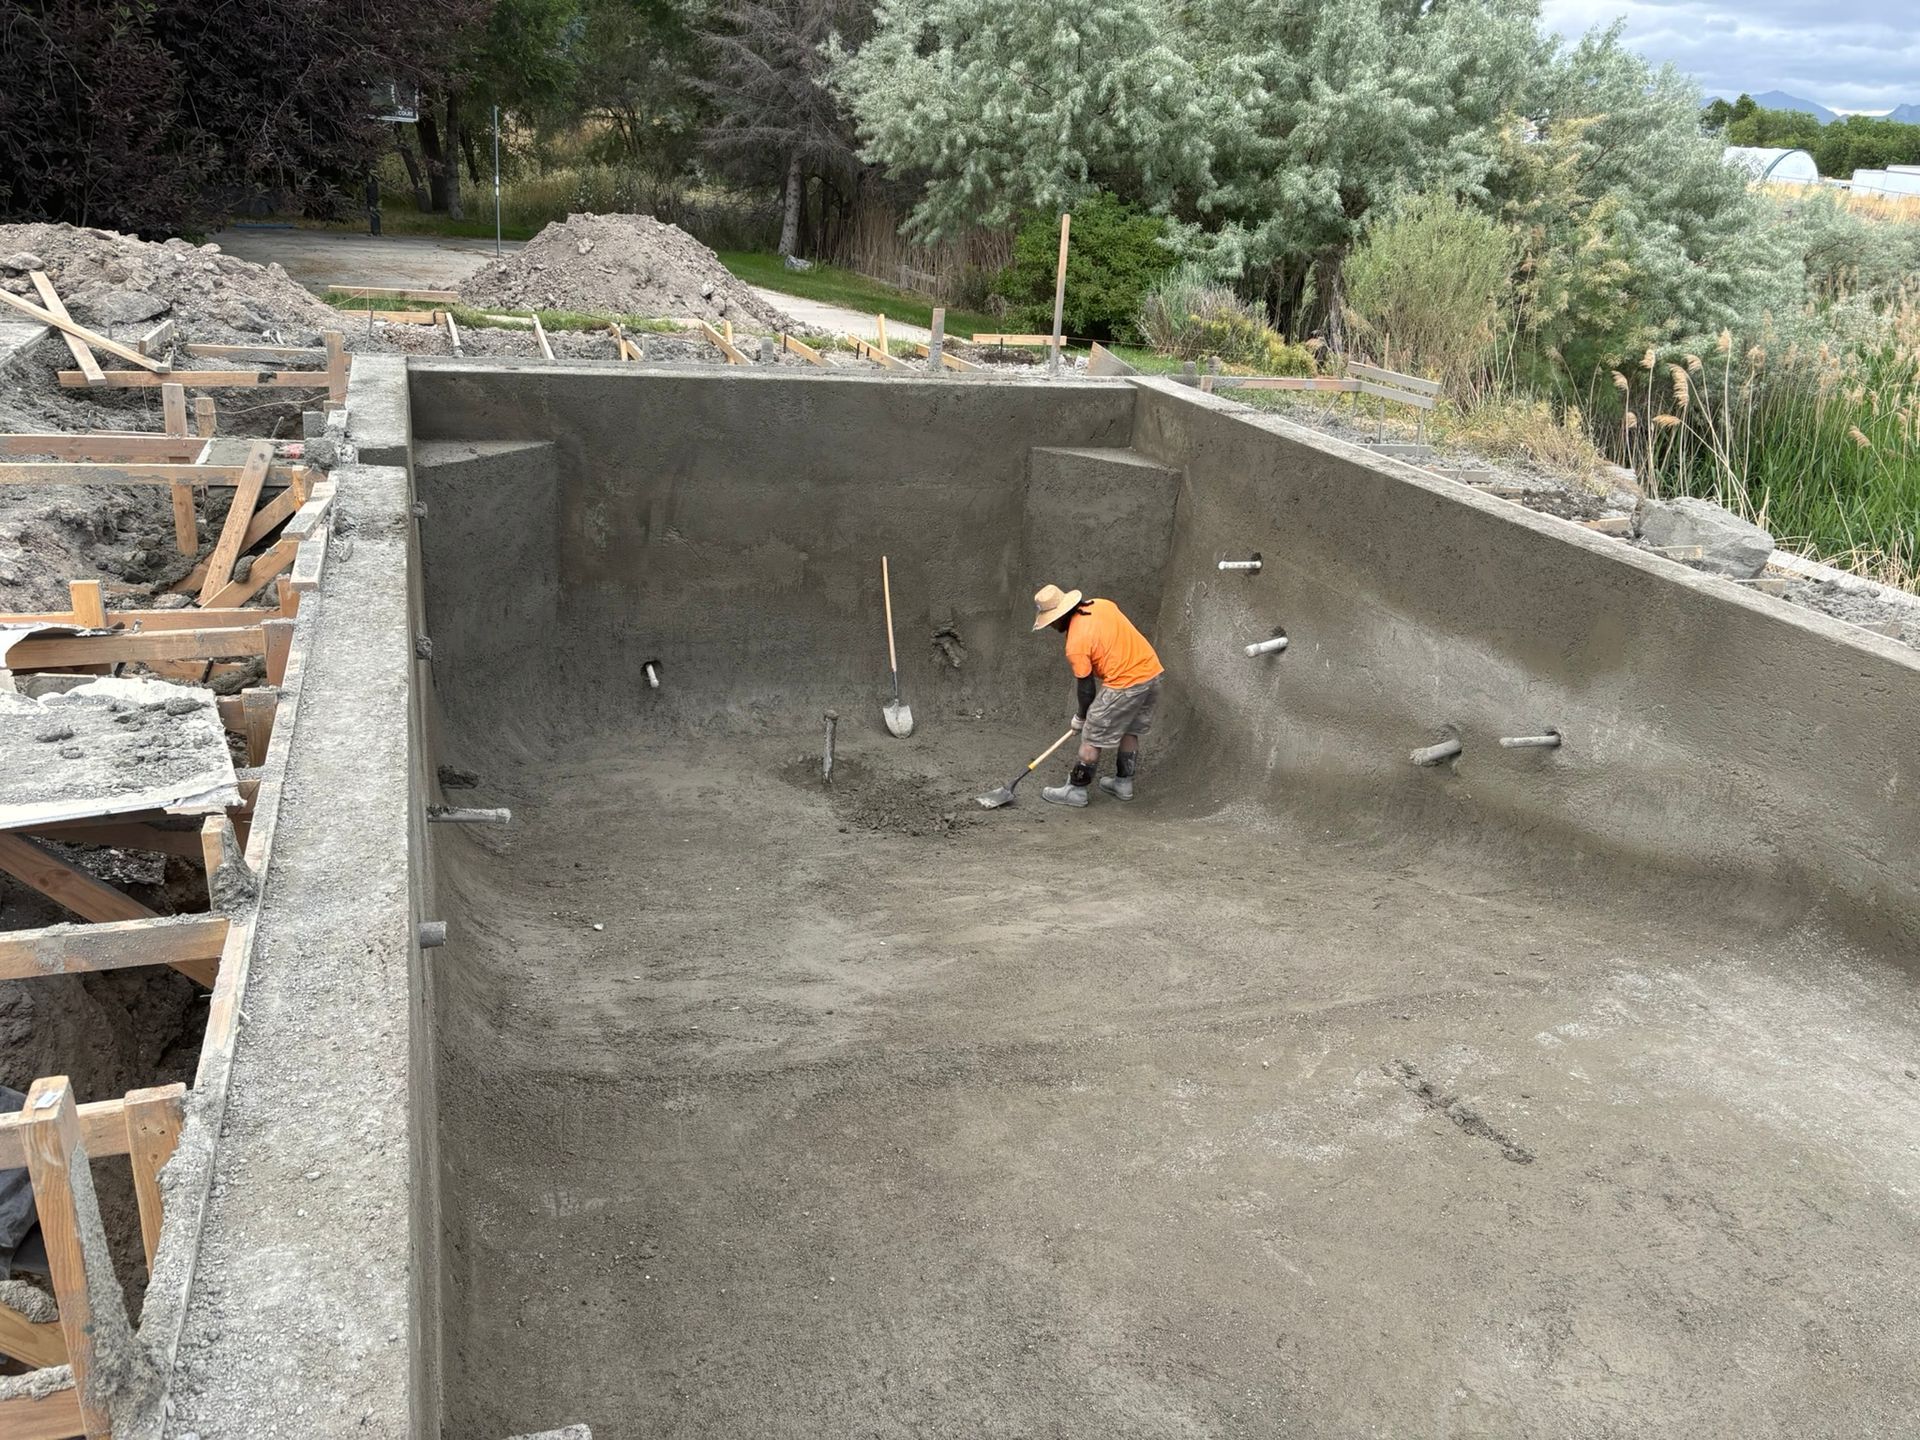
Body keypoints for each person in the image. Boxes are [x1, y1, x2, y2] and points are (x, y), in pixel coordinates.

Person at [1030, 583, 1165, 807]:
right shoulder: (1101, 604)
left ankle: (1076, 790)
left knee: (1092, 736)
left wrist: (1082, 717)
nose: (1052, 625)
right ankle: (1123, 784)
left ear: (1061, 615)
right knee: (1130, 729)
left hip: (1124, 683)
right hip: (1152, 674)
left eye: (1052, 620)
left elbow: (1087, 688)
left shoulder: (1076, 643)